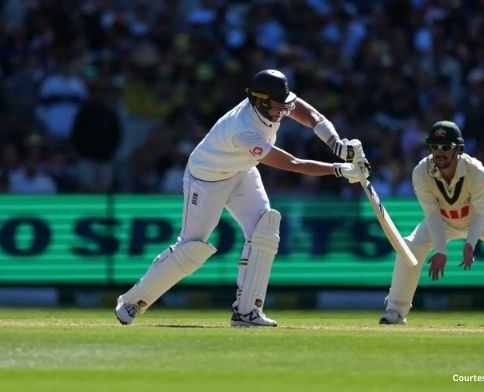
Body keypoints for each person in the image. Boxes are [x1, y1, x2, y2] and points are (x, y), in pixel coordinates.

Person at [115, 69, 369, 327]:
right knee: (192, 248)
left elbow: (313, 116)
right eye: (278, 106)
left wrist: (336, 143)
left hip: (241, 170)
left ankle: (247, 312)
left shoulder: (274, 102)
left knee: (265, 229)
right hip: (206, 179)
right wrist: (337, 169)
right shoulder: (244, 130)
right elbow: (292, 163)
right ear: (260, 101)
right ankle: (132, 302)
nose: (284, 111)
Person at [379, 121, 484, 326]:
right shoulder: (420, 172)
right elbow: (432, 215)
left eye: (446, 147)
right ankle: (395, 310)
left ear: (458, 149)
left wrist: (470, 243)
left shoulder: (475, 170)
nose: (439, 153)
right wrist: (441, 250)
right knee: (410, 246)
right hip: (443, 219)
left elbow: (480, 211)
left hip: (481, 215)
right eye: (434, 147)